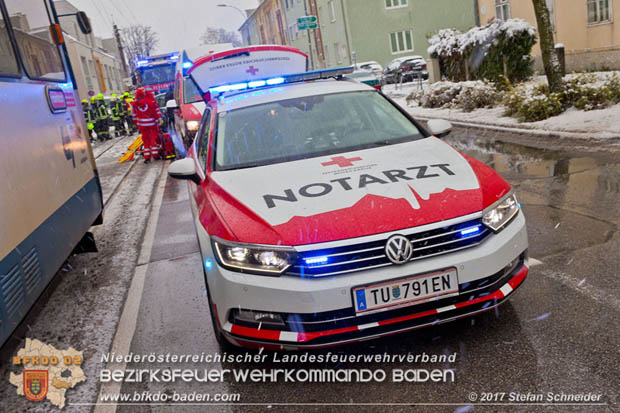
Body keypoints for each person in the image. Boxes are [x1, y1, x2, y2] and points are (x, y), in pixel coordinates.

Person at [131, 88, 162, 163]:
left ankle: (147, 156)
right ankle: (155, 155)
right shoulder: (150, 101)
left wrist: (136, 122)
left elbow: (133, 115)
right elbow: (156, 112)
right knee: (153, 139)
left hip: (142, 125)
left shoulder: (135, 104)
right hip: (151, 124)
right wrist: (159, 119)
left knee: (145, 140)